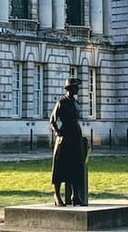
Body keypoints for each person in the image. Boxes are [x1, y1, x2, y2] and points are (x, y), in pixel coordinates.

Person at [49, 77, 85, 206]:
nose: (78, 89)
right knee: (60, 167)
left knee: (76, 165)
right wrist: (58, 132)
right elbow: (52, 120)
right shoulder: (61, 102)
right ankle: (57, 195)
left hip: (75, 136)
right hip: (65, 137)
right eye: (76, 86)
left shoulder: (76, 103)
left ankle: (75, 195)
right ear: (70, 88)